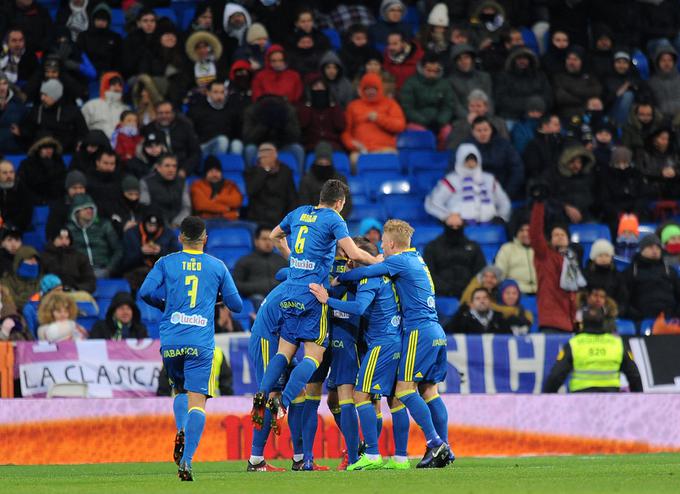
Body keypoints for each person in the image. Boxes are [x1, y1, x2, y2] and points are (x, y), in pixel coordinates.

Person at [250, 180, 381, 470]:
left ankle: (299, 450)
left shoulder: (299, 213)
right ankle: (282, 404)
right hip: (329, 318)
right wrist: (378, 261)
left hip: (294, 294)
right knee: (315, 359)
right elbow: (357, 257)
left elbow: (275, 239)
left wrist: (296, 260)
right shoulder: (341, 240)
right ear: (340, 203)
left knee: (289, 358)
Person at [335, 219, 452, 468]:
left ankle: (435, 443)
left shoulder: (397, 261)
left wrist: (339, 281)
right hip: (436, 330)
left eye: (384, 247)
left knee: (404, 391)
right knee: (429, 391)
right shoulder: (417, 258)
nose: (383, 251)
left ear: (389, 244)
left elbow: (367, 272)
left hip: (418, 332)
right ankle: (443, 448)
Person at [139, 216, 243, 481]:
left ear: (180, 238)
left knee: (178, 389)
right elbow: (237, 305)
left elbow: (144, 292)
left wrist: (165, 304)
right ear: (205, 239)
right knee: (198, 400)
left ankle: (181, 428)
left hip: (172, 340)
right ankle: (186, 462)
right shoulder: (217, 266)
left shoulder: (165, 262)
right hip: (200, 342)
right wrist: (216, 298)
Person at [309, 238, 403, 471]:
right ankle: (367, 450)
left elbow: (356, 305)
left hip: (360, 343)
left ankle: (361, 454)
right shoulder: (362, 274)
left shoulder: (367, 277)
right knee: (337, 400)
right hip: (366, 341)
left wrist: (329, 295)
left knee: (366, 399)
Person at [543, 307, 642, 393]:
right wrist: (639, 399)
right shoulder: (617, 344)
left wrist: (546, 399)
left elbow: (555, 377)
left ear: (583, 323)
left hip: (580, 399)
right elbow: (634, 376)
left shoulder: (574, 344)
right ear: (603, 321)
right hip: (611, 400)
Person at [529, 195, 583, 333]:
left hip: (570, 324)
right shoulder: (544, 256)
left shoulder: (572, 260)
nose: (559, 236)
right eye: (555, 235)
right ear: (550, 240)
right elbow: (535, 233)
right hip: (551, 323)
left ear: (568, 239)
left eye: (562, 234)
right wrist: (539, 204)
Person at [425, 143, 511, 225]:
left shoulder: (489, 179)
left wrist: (501, 216)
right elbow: (432, 202)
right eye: (467, 160)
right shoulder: (452, 180)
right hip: (460, 226)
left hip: (490, 224)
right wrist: (448, 216)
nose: (471, 163)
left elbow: (503, 201)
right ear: (460, 160)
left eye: (474, 160)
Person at [341, 73, 405, 167]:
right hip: (362, 150)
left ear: (379, 89)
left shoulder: (390, 104)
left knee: (394, 158)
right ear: (362, 90)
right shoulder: (353, 106)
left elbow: (399, 125)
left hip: (385, 149)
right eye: (367, 89)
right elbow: (345, 132)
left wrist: (379, 118)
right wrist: (352, 145)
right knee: (353, 159)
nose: (371, 92)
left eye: (374, 89)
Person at [17, 78, 87, 153]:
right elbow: (29, 131)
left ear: (55, 95)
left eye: (46, 95)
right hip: (39, 154)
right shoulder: (36, 111)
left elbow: (82, 133)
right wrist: (21, 133)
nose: (42, 98)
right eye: (41, 94)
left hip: (65, 153)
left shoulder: (72, 112)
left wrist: (79, 143)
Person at [462, 116, 524, 199]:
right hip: (474, 193)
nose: (482, 133)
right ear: (473, 132)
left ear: (491, 130)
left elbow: (517, 168)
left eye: (485, 130)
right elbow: (455, 170)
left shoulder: (504, 145)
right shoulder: (465, 147)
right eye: (479, 130)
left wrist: (506, 193)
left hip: (501, 190)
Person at [622, 234, 680, 321]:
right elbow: (624, 300)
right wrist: (637, 316)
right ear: (642, 250)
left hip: (670, 318)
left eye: (657, 248)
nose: (655, 251)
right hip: (641, 319)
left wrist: (676, 314)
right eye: (650, 247)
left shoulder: (670, 271)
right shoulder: (631, 272)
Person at [423, 221, 486, 298]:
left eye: (458, 226)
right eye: (451, 226)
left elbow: (480, 270)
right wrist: (446, 288)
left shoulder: (474, 246)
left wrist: (469, 288)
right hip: (439, 293)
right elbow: (427, 272)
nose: (455, 229)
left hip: (470, 293)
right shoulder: (432, 247)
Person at [399, 53, 453, 142]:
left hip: (439, 122)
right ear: (422, 68)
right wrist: (424, 121)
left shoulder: (445, 84)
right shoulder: (410, 83)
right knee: (423, 136)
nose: (432, 74)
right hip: (417, 122)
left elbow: (448, 106)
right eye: (428, 70)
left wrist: (440, 121)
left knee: (448, 133)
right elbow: (407, 108)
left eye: (435, 71)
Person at [67, 193, 122, 279]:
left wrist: (109, 269)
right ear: (76, 212)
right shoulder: (69, 230)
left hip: (102, 269)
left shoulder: (104, 225)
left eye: (91, 208)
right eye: (85, 208)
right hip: (80, 272)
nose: (89, 210)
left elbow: (118, 250)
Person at [121, 211, 179, 292]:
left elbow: (176, 261)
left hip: (161, 274)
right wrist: (141, 252)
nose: (152, 228)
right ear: (144, 223)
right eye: (149, 225)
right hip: (136, 273)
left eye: (154, 225)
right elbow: (124, 263)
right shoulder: (131, 233)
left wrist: (160, 252)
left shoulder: (168, 234)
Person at [244, 142, 297, 228]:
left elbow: (292, 197)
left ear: (275, 156)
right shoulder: (252, 172)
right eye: (262, 157)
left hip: (280, 218)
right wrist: (265, 170)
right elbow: (251, 190)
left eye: (268, 156)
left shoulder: (285, 171)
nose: (265, 159)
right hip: (258, 218)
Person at [142, 102, 202, 177]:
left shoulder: (185, 127)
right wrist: (151, 153)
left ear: (173, 113)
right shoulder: (149, 129)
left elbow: (195, 152)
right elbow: (144, 151)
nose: (164, 116)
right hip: (159, 169)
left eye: (167, 113)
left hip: (182, 167)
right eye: (160, 113)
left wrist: (185, 170)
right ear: (156, 114)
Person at [494, 46, 552, 121]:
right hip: (511, 116)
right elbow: (501, 100)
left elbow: (548, 97)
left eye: (525, 58)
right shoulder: (503, 76)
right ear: (513, 60)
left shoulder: (540, 75)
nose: (522, 61)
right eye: (519, 58)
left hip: (539, 115)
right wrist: (529, 106)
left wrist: (538, 108)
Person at [544, 144, 597, 225]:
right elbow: (547, 198)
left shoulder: (587, 177)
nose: (576, 166)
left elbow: (593, 198)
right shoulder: (552, 176)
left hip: (585, 216)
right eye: (572, 162)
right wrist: (565, 207)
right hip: (558, 217)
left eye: (579, 162)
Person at [298, 141, 352, 218]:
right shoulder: (306, 180)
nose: (323, 164)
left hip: (335, 222)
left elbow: (347, 205)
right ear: (316, 160)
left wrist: (334, 221)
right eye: (320, 161)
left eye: (326, 161)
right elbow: (304, 205)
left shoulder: (340, 179)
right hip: (312, 224)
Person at [139, 154, 191, 229]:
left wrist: (177, 223)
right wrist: (163, 225)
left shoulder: (182, 182)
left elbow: (186, 208)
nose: (171, 169)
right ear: (158, 168)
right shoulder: (146, 183)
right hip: (156, 225)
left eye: (174, 166)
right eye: (167, 166)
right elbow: (145, 208)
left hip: (179, 225)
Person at [297, 74, 346, 152]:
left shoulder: (334, 106)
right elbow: (303, 125)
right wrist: (308, 106)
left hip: (333, 144)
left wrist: (334, 108)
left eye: (322, 86)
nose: (319, 88)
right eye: (316, 86)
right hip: (311, 145)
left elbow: (340, 126)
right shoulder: (304, 106)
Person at [552, 46, 602, 121]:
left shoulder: (589, 75)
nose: (571, 62)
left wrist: (572, 89)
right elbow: (561, 97)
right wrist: (585, 102)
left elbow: (597, 90)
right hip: (568, 114)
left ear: (581, 61)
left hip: (589, 113)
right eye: (569, 59)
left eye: (575, 59)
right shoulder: (559, 77)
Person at [41, 227, 96, 294]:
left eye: (67, 238)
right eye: (60, 238)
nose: (64, 242)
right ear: (53, 240)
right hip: (50, 294)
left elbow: (90, 281)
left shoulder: (80, 258)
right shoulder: (43, 257)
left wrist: (75, 288)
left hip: (75, 294)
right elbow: (39, 280)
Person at [448, 43, 493, 121]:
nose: (463, 61)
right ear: (455, 62)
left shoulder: (484, 77)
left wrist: (487, 115)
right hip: (464, 118)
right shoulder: (451, 81)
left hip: (485, 116)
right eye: (459, 59)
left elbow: (489, 99)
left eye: (466, 57)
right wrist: (468, 116)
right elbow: (456, 105)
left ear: (472, 59)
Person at [75, 3, 122, 77]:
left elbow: (118, 60)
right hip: (86, 73)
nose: (100, 22)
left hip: (108, 73)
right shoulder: (83, 36)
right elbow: (79, 56)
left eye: (104, 20)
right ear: (93, 20)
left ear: (108, 21)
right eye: (98, 19)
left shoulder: (115, 38)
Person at [17, 136, 67, 205]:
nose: (49, 151)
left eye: (51, 148)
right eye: (45, 148)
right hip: (34, 201)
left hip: (57, 200)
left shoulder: (59, 162)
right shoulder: (27, 164)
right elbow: (22, 185)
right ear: (38, 149)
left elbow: (63, 182)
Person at [190, 156, 243, 221]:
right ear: (206, 173)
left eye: (217, 171)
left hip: (229, 220)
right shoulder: (197, 185)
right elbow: (201, 204)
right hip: (207, 221)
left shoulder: (230, 184)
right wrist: (226, 209)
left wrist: (217, 198)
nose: (214, 174)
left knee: (253, 227)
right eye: (211, 171)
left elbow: (237, 200)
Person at [187, 80, 231, 156]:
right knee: (222, 140)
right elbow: (189, 132)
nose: (219, 96)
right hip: (203, 146)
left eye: (222, 92)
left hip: (224, 144)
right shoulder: (197, 109)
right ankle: (216, 166)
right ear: (208, 93)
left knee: (237, 144)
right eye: (216, 92)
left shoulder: (230, 109)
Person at [80, 72, 129, 138]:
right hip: (97, 145)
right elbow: (80, 129)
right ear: (105, 84)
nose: (117, 88)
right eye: (113, 84)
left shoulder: (126, 109)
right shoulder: (91, 106)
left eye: (120, 85)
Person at [495, 220, 537, 294]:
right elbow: (499, 274)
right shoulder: (507, 248)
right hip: (515, 293)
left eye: (528, 230)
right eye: (521, 230)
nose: (525, 234)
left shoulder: (542, 249)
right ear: (516, 232)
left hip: (542, 292)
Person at [445, 287, 510, 334]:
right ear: (472, 303)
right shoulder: (465, 319)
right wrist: (459, 312)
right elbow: (449, 332)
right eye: (478, 298)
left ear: (490, 301)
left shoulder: (499, 317)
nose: (482, 301)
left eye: (485, 298)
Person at [522, 113, 563, 178]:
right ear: (545, 125)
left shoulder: (557, 140)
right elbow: (533, 169)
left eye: (559, 124)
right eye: (556, 124)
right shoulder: (533, 145)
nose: (559, 127)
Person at [1, 245, 41, 311]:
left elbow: (44, 300)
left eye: (35, 260)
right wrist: (32, 301)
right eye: (29, 259)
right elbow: (11, 301)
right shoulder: (7, 281)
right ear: (19, 262)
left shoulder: (41, 280)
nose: (33, 262)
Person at [648, 44, 680, 119]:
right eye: (663, 60)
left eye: (670, 60)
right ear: (657, 62)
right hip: (660, 121)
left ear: (674, 62)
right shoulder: (651, 83)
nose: (667, 63)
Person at [0, 159, 32, 233]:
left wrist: (10, 225)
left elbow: (26, 213)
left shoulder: (22, 188)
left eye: (11, 172)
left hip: (17, 227)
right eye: (5, 173)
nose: (9, 175)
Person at [0, 71, 27, 155]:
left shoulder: (18, 103)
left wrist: (22, 132)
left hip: (13, 150)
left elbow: (29, 126)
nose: (2, 88)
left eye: (4, 83)